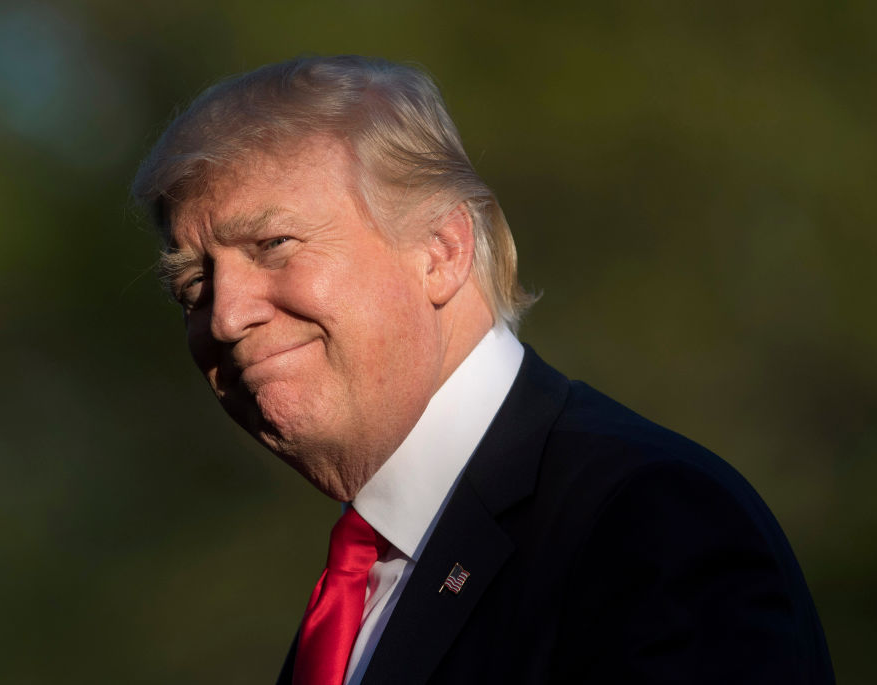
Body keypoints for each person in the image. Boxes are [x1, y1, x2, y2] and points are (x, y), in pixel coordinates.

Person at [132, 55, 835, 684]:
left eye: (274, 243)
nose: (226, 316)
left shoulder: (651, 526)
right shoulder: (355, 596)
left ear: (440, 249)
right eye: (194, 284)